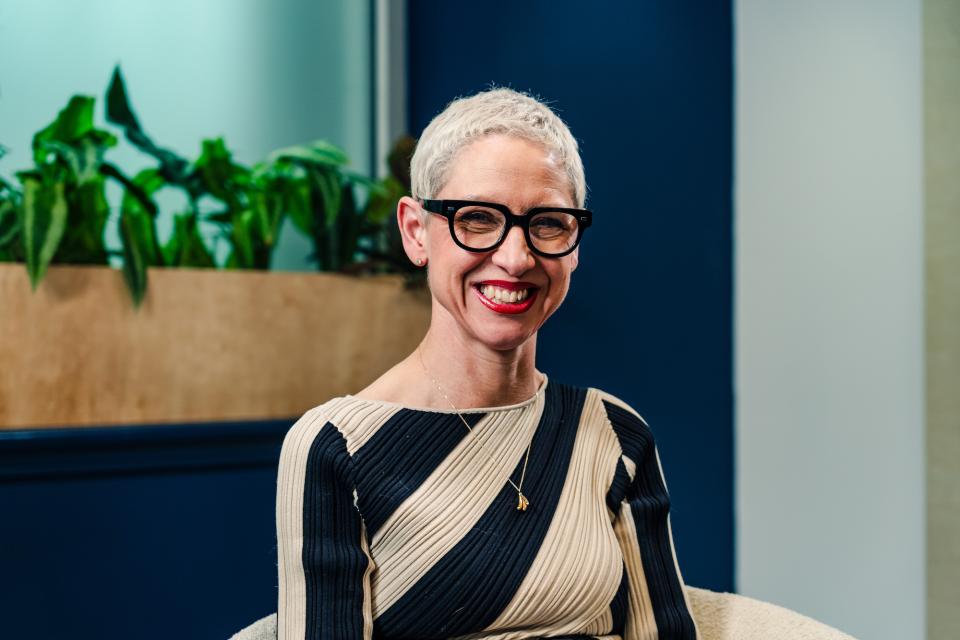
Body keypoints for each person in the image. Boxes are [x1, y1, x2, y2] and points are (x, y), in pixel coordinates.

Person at [275, 88, 700, 640]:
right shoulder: (335, 447)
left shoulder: (615, 433)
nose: (516, 257)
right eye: (476, 218)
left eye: (548, 223)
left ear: (574, 244)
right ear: (415, 231)